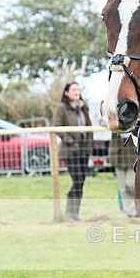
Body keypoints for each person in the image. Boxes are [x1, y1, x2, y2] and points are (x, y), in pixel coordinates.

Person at [52, 81, 93, 221]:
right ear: (66, 93)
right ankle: (71, 212)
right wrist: (70, 141)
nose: (76, 92)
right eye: (73, 90)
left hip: (83, 150)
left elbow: (89, 126)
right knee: (77, 180)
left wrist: (89, 145)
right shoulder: (62, 108)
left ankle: (74, 213)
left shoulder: (83, 107)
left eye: (78, 90)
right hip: (70, 151)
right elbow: (57, 126)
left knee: (81, 182)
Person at [108, 133, 138, 217]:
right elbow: (104, 124)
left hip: (132, 154)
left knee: (131, 184)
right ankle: (129, 211)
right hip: (117, 154)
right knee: (122, 187)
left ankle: (138, 206)